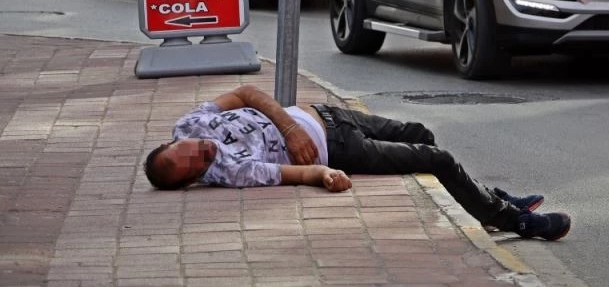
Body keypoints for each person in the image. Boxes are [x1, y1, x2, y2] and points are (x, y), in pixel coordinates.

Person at [143, 85, 571, 241]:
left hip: (327, 114)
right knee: (437, 159)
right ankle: (517, 222)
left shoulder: (191, 123)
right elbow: (291, 173)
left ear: (172, 142)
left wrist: (289, 127)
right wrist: (324, 175)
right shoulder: (230, 171)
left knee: (421, 134)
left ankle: (487, 202)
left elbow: (247, 93)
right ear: (194, 179)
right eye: (192, 164)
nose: (197, 151)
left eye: (184, 150)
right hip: (340, 148)